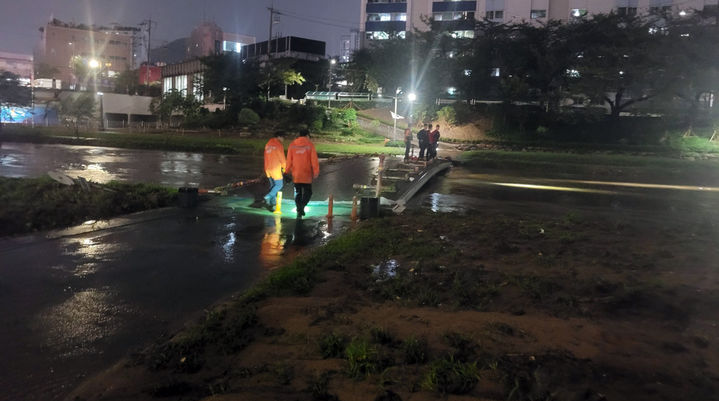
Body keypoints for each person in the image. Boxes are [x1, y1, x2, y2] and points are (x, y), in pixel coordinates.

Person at [286, 129, 319, 218]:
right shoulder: (310, 145)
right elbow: (314, 160)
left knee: (297, 192)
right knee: (308, 192)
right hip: (306, 173)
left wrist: (286, 171)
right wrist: (316, 171)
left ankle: (298, 207)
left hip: (296, 173)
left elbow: (289, 160)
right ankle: (302, 206)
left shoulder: (292, 145)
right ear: (307, 135)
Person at [262, 130, 287, 212]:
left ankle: (271, 203)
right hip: (275, 168)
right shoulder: (278, 145)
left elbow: (266, 156)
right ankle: (267, 197)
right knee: (279, 185)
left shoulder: (268, 144)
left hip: (268, 168)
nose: (283, 139)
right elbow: (282, 158)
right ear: (279, 137)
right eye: (283, 137)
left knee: (272, 186)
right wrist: (285, 168)